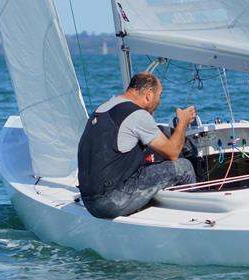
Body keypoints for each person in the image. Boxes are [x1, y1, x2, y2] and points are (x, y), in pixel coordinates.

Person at [78, 72, 197, 219]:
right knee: (184, 167)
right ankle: (192, 218)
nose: (159, 101)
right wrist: (183, 122)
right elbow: (172, 152)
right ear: (148, 95)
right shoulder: (136, 114)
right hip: (111, 201)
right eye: (159, 96)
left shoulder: (104, 107)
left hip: (90, 201)